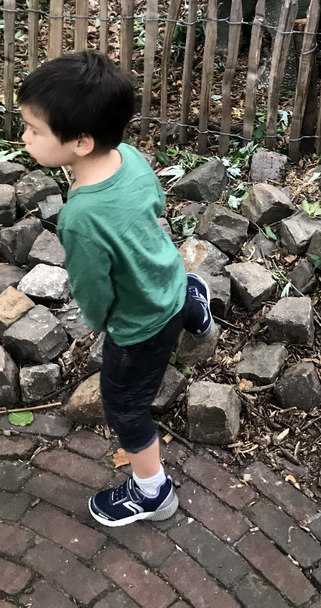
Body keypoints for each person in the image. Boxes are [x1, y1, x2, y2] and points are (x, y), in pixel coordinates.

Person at [18, 50, 215, 527]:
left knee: (125, 408)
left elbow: (93, 289)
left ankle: (153, 492)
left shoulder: (81, 218)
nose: (23, 137)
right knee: (181, 292)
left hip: (139, 325)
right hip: (166, 275)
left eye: (33, 130)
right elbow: (155, 204)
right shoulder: (128, 156)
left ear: (80, 142)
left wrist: (102, 322)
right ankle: (195, 307)